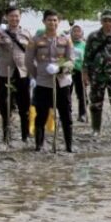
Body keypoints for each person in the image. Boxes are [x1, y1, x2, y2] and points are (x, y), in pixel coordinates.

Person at [25, 10, 75, 153]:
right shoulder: (35, 40)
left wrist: (60, 69)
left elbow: (71, 61)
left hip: (62, 82)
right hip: (43, 83)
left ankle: (69, 146)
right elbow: (28, 61)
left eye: (55, 20)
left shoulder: (66, 39)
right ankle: (39, 145)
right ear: (44, 22)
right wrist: (37, 76)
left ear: (58, 22)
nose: (52, 23)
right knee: (41, 115)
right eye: (49, 20)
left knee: (66, 115)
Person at [0, 6, 32, 144]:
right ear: (6, 17)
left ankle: (25, 134)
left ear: (20, 17)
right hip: (5, 72)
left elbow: (32, 51)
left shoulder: (26, 33)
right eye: (11, 16)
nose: (14, 18)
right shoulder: (0, 32)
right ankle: (6, 134)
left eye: (17, 16)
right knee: (4, 104)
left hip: (23, 72)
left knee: (24, 104)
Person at [70, 24, 88, 123]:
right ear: (71, 33)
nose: (76, 33)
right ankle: (67, 112)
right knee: (66, 92)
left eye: (78, 31)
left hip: (80, 71)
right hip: (68, 70)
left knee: (81, 93)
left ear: (82, 33)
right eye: (74, 31)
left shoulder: (84, 45)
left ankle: (82, 114)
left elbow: (88, 59)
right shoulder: (68, 43)